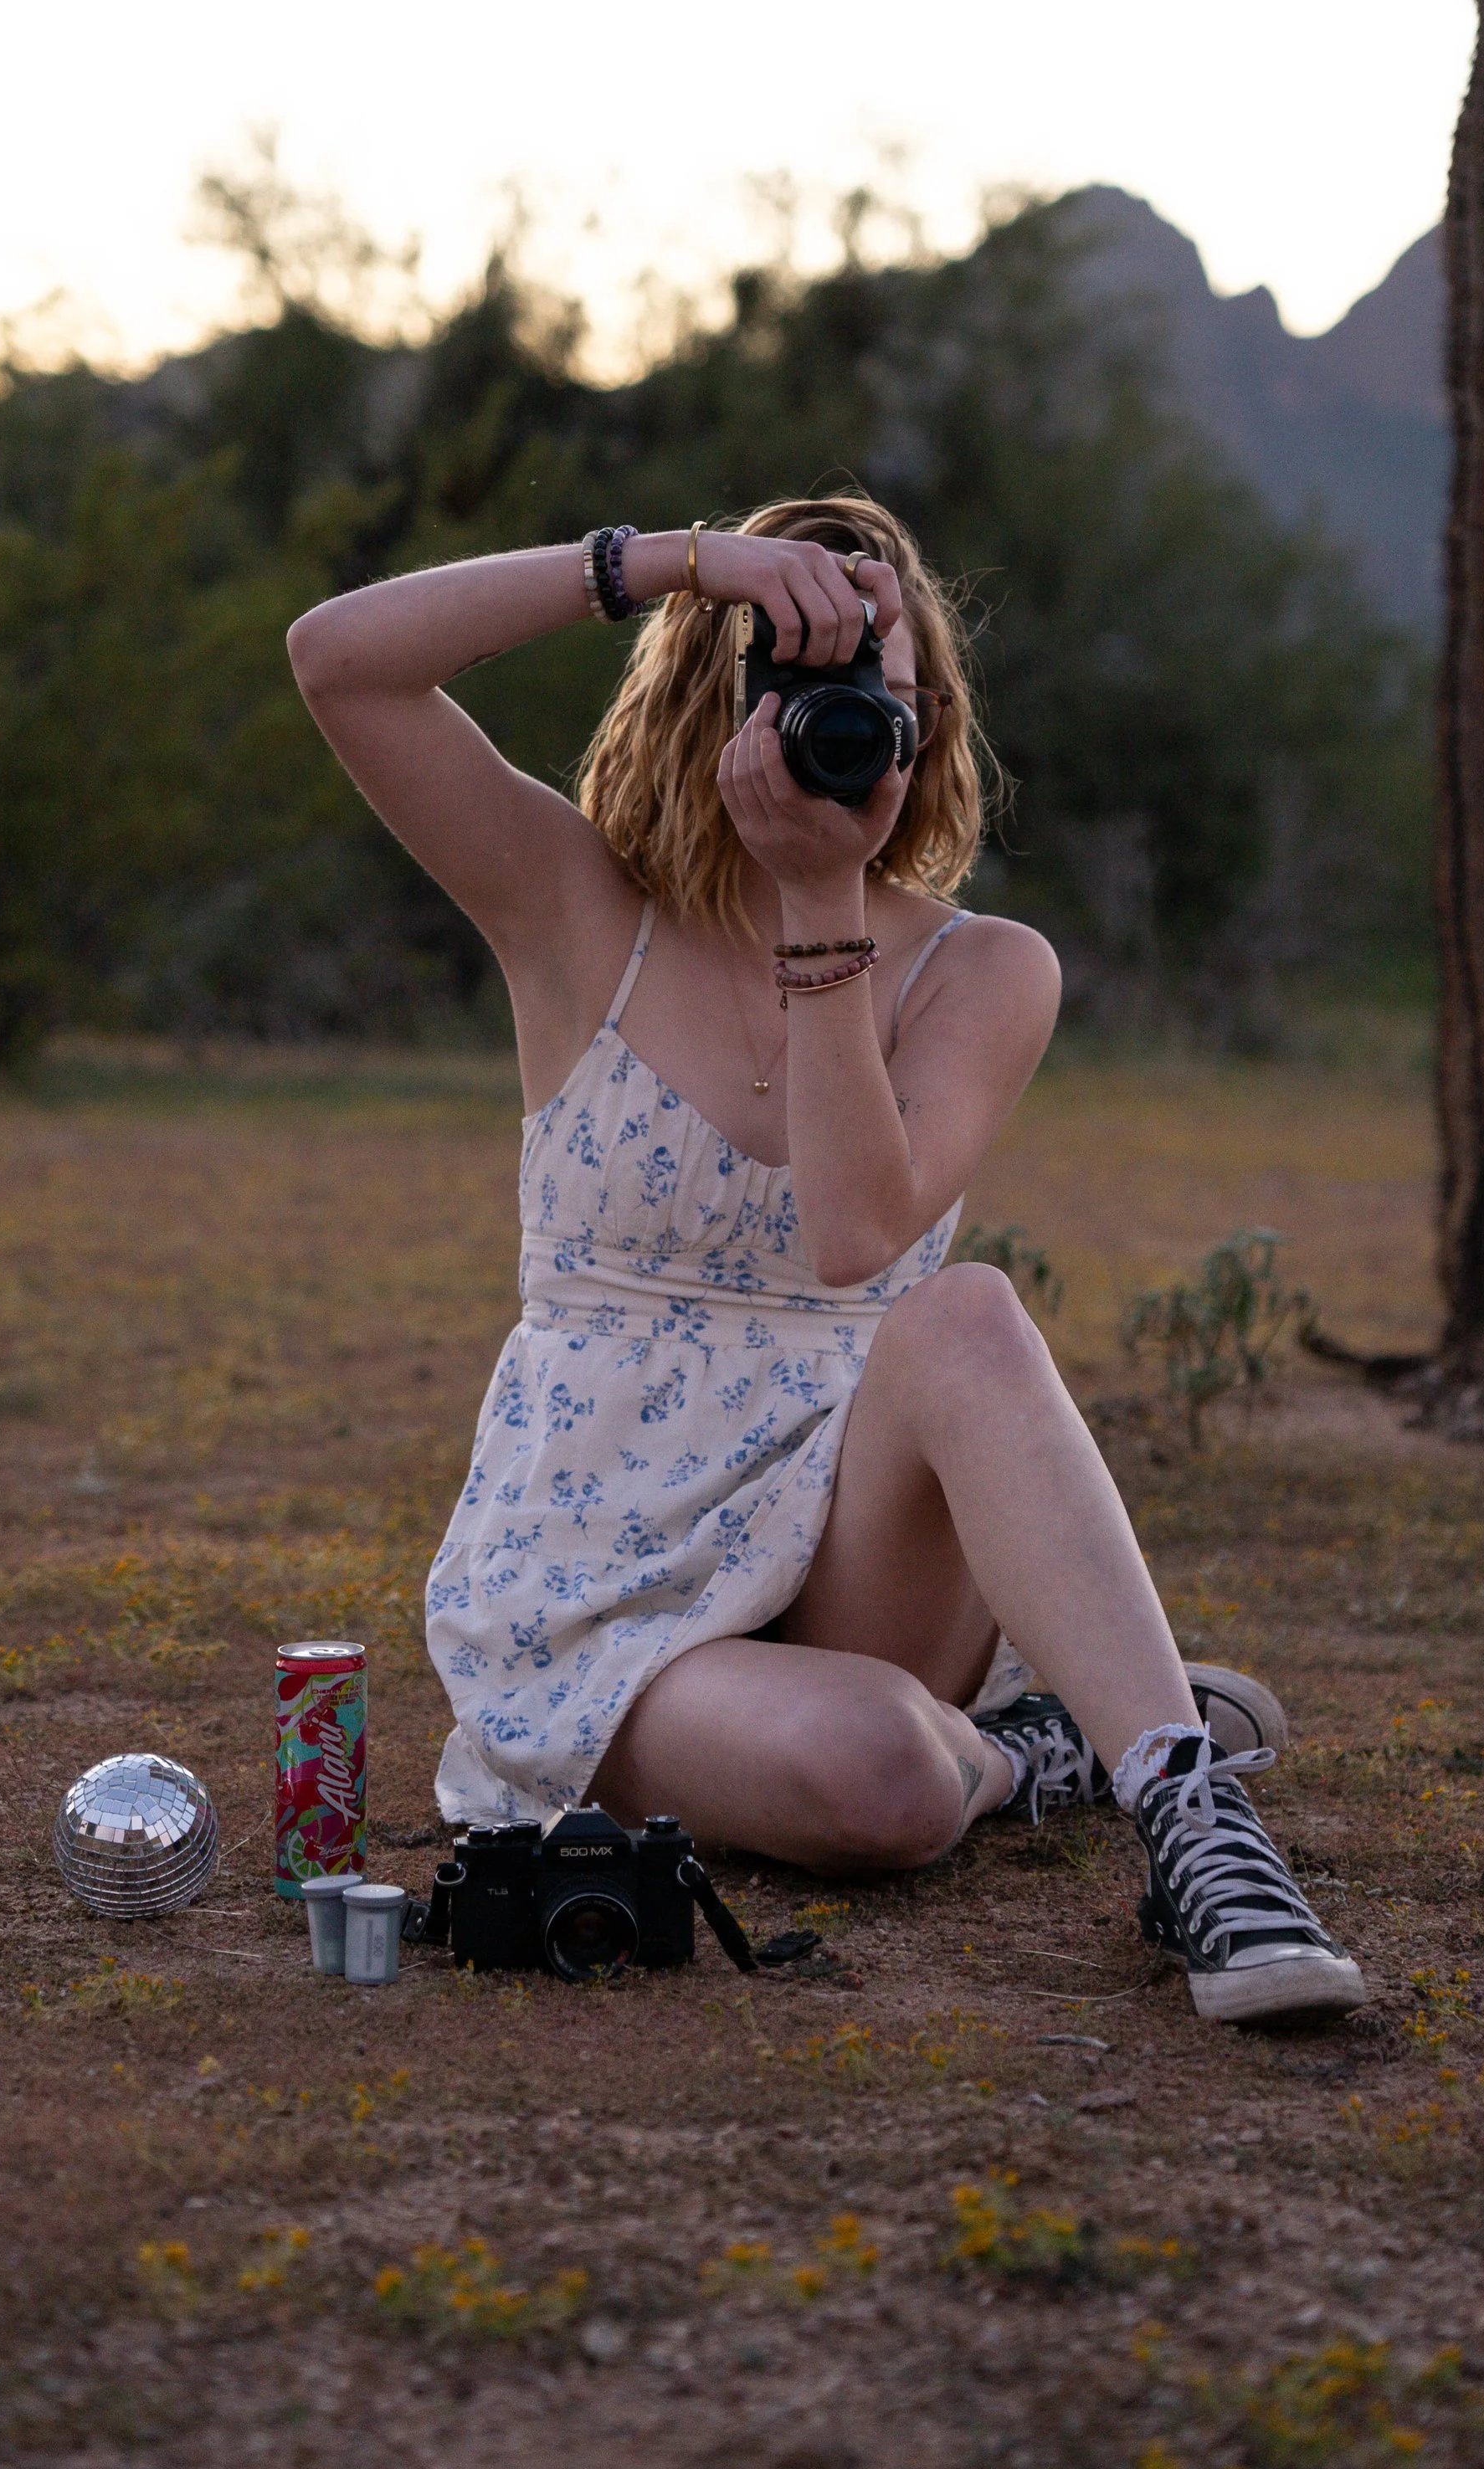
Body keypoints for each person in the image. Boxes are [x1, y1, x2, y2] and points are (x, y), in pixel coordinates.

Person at [287, 495, 1365, 2024]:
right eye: (807, 685)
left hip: (858, 1530)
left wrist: (818, 901)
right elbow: (338, 661)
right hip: (608, 1581)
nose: (859, 727)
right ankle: (1023, 1752)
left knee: (964, 1310)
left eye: (892, 698)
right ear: (715, 700)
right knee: (883, 1781)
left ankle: (1194, 1822)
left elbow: (855, 1238)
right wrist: (674, 561)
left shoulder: (984, 968)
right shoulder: (575, 907)